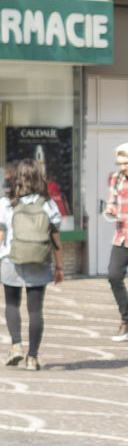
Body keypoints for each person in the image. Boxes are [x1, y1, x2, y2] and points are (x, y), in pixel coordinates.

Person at [0, 159, 63, 372]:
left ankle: (15, 346)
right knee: (35, 310)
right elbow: (56, 240)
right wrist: (59, 267)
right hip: (39, 261)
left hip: (11, 260)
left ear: (16, 178)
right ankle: (32, 357)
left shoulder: (6, 203)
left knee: (12, 304)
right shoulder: (48, 205)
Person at [99, 144, 128, 342]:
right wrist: (109, 210)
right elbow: (112, 203)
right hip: (122, 235)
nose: (123, 167)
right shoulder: (115, 178)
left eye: (126, 163)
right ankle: (126, 320)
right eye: (120, 163)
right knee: (114, 275)